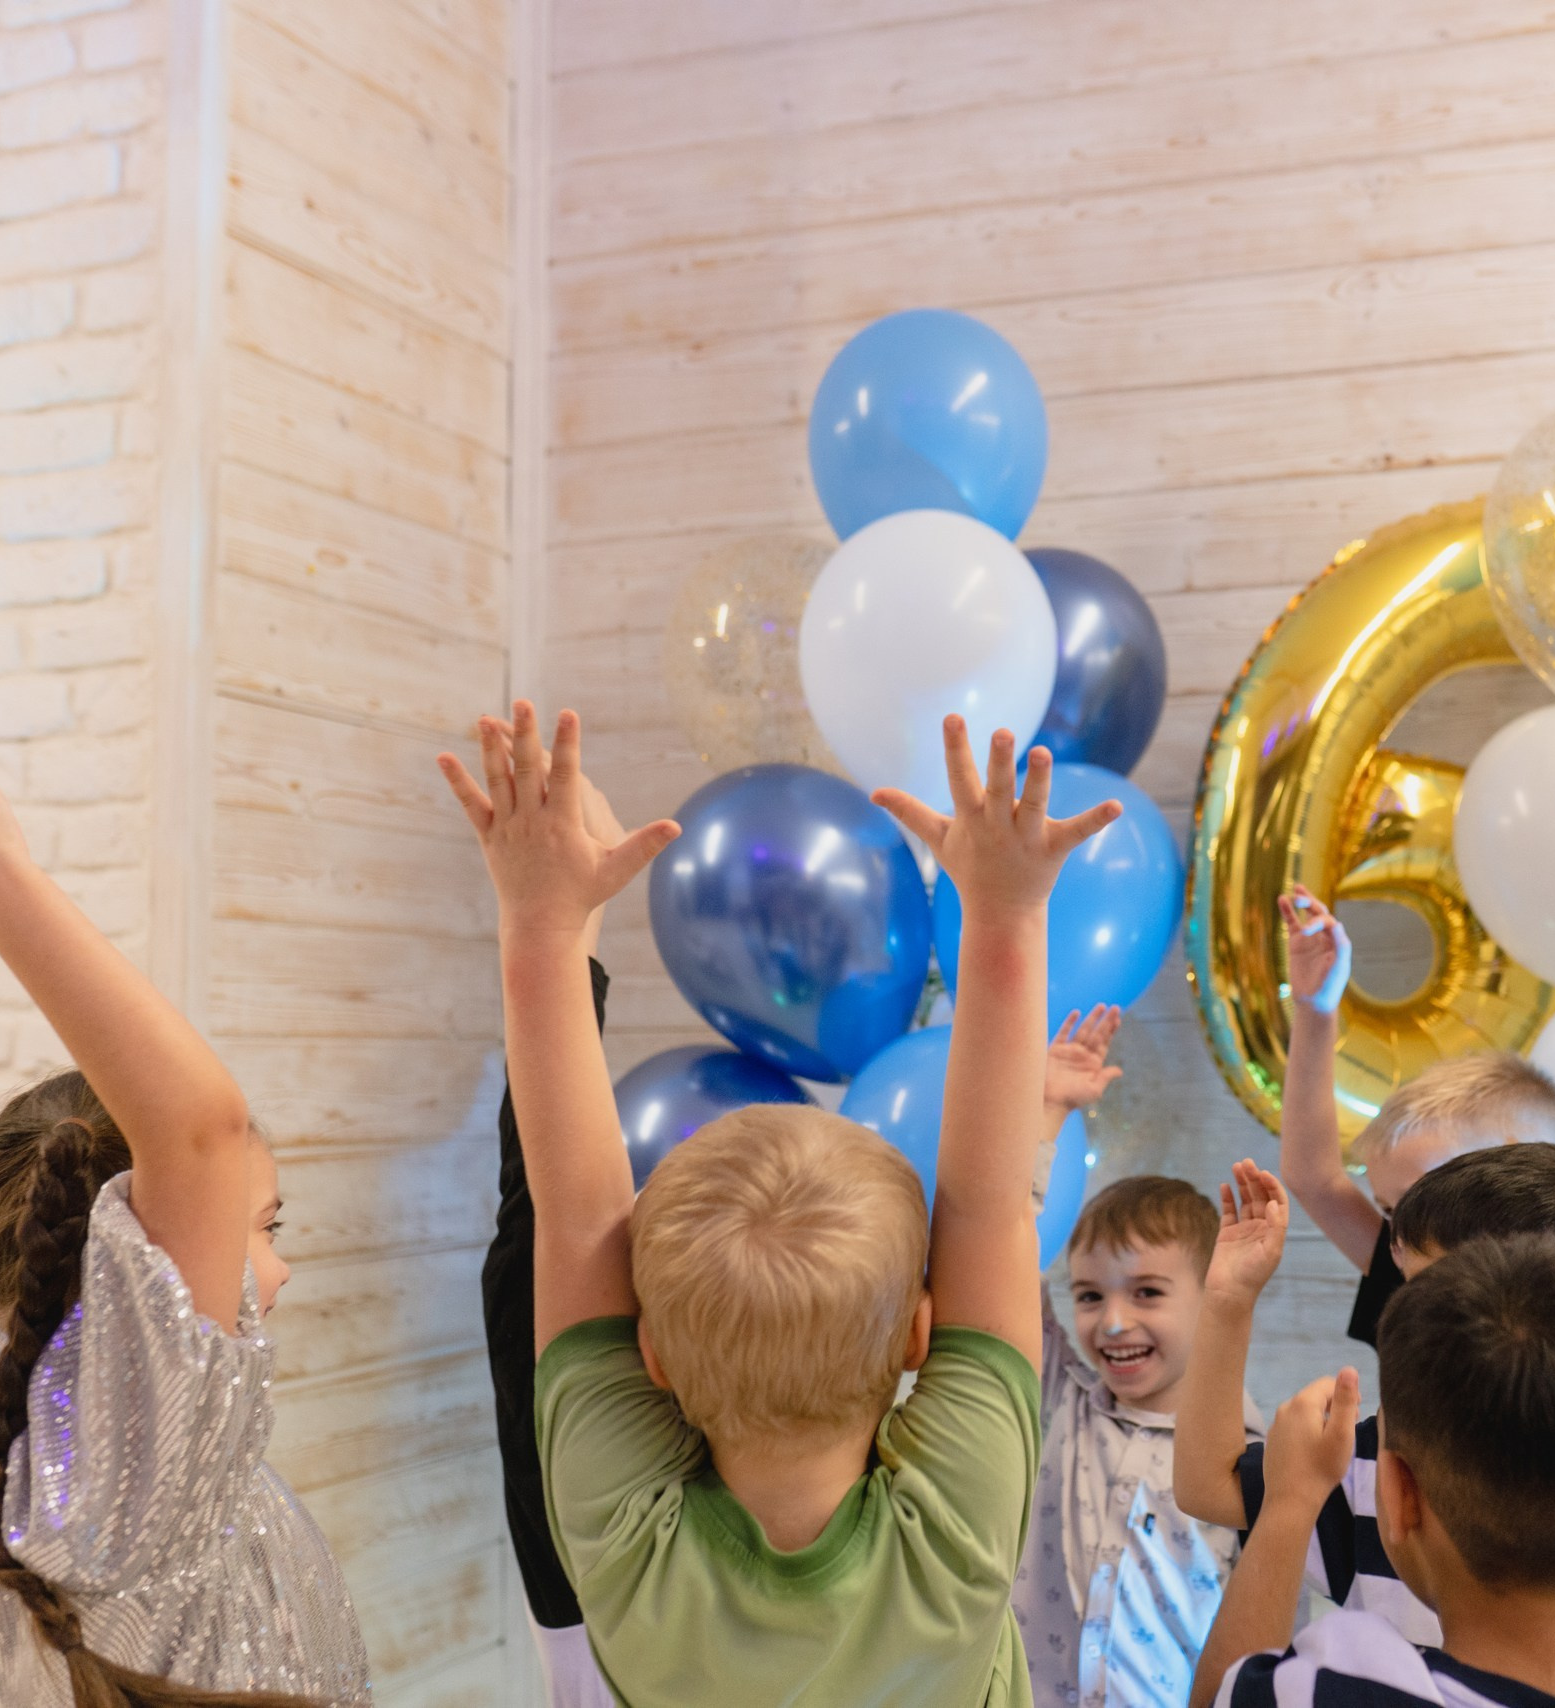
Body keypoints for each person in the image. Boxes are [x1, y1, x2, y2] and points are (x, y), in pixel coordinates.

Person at [440, 706, 1115, 1705]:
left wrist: (538, 921)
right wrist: (1008, 912)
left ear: (655, 1356)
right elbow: (987, 1210)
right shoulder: (955, 1538)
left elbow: (571, 1218)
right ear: (917, 1335)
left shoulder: (627, 1548)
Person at [0, 706, 369, 1706]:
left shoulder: (33, 1360)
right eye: (263, 1227)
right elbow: (200, 1129)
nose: (280, 1266)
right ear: (138, 1289)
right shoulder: (132, 1494)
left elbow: (1, 1186)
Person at [1176, 1149, 1555, 1706]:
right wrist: (1228, 1303)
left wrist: (1289, 1502)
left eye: (1436, 1297)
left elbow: (1224, 1694)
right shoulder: (1379, 1453)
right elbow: (1210, 1485)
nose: (1407, 1321)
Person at [1013, 1010, 1263, 1708]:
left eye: (1147, 1292)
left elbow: (1265, 1634)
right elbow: (1007, 1242)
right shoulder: (1060, 1398)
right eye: (1089, 1295)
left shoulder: (1248, 1455)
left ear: (1211, 1296)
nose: (1114, 1321)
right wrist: (1048, 1111)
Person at [479, 779, 630, 1708]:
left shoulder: (609, 1560)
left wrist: (558, 926)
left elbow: (544, 1216)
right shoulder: (906, 1582)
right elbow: (543, 1217)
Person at [1274, 888, 1555, 1346]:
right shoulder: (1410, 1277)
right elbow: (1313, 1177)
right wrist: (1315, 1009)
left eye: (1422, 1201)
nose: (1398, 1238)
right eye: (1389, 1211)